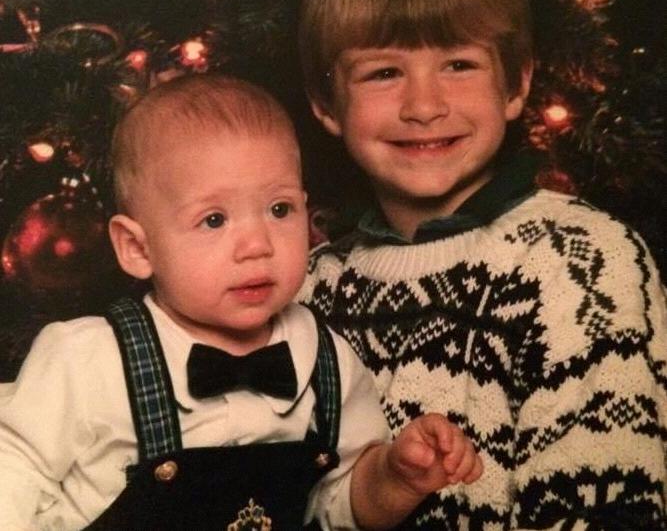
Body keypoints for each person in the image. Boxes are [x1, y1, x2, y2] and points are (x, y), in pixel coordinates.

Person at [297, 0, 667, 529]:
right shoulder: (309, 287)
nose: (423, 105)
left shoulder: (580, 262)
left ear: (516, 84)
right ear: (327, 104)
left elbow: (610, 504)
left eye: (458, 64)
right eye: (384, 72)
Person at [0, 74, 482, 531]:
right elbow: (13, 472)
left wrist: (394, 478)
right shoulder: (86, 357)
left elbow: (337, 506)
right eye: (214, 219)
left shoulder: (325, 359)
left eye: (279, 209)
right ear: (138, 249)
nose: (257, 245)